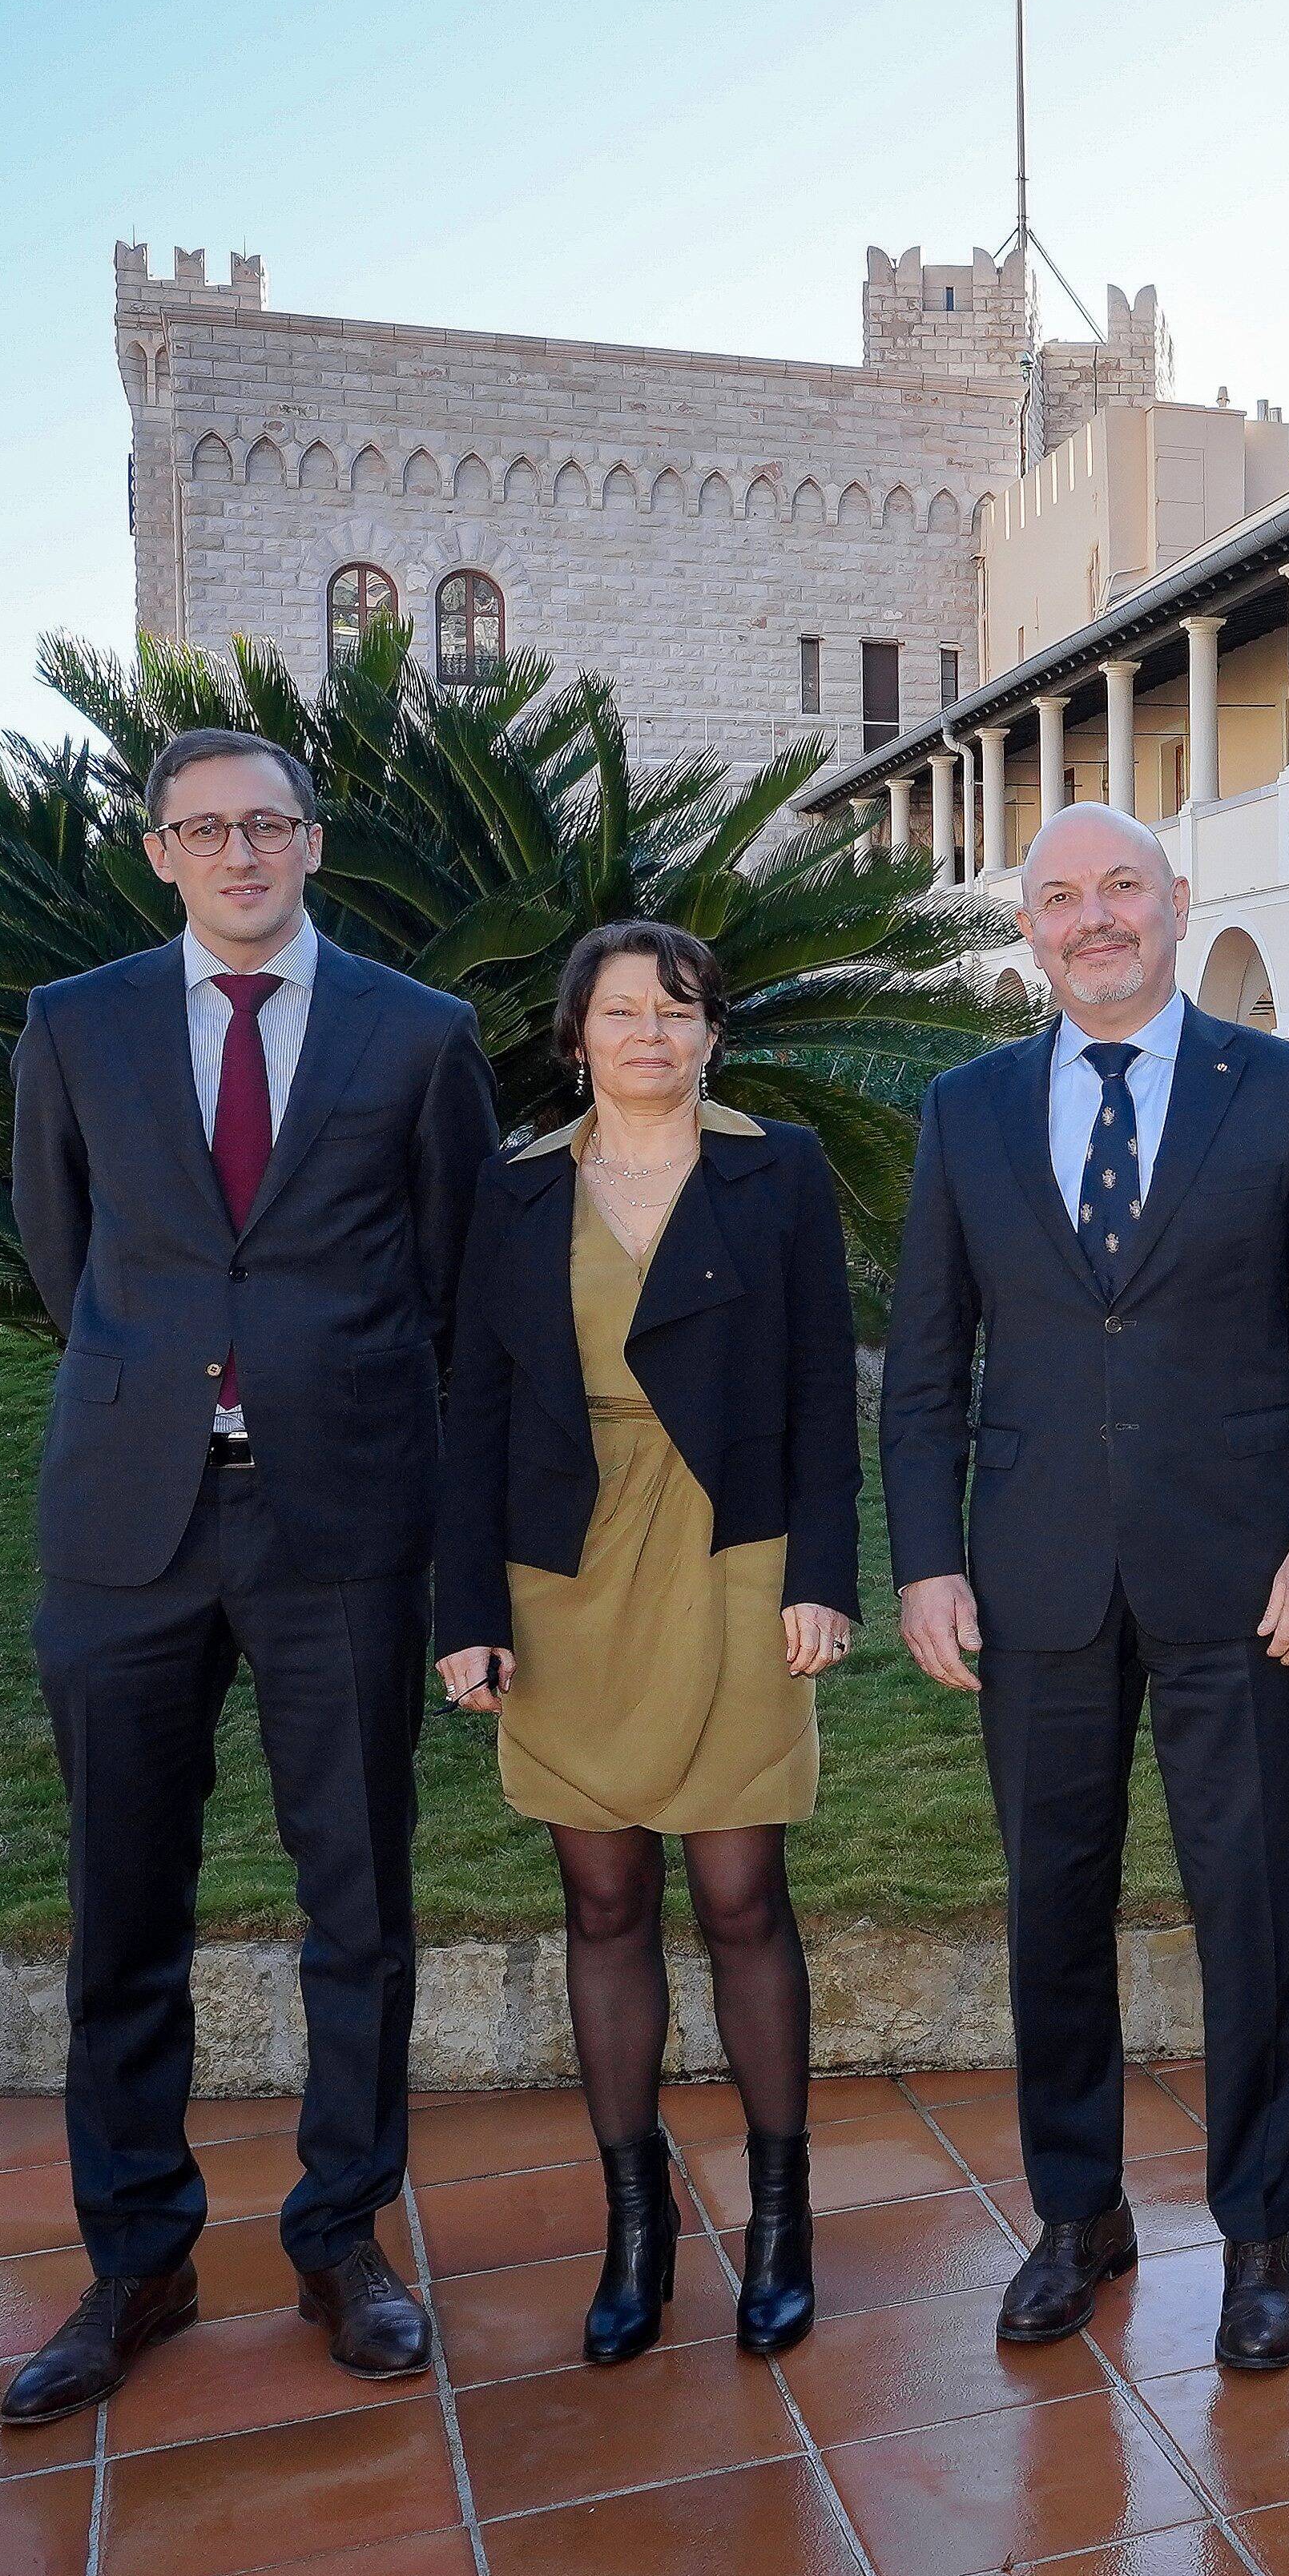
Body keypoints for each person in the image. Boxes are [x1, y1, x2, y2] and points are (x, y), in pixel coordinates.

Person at [0, 727, 497, 2425]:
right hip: (126, 1526)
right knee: (118, 1905)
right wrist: (172, 1384)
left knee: (357, 1898)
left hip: (341, 1525)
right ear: (156, 854)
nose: (238, 854)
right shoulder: (72, 1026)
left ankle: (342, 2234)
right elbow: (68, 1261)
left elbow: (455, 1286)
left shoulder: (420, 1039)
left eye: (266, 823)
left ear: (311, 841)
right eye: (202, 829)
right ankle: (135, 2256)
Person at [882, 803, 1289, 2373]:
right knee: (1054, 1905)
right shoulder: (965, 1110)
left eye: (1121, 888)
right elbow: (922, 1368)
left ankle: (1257, 2233)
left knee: (1250, 1905)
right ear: (1028, 928)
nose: (1093, 918)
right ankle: (1078, 2210)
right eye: (1060, 897)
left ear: (1178, 903)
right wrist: (925, 1557)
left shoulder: (1288, 1090)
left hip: (1245, 1575)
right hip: (1034, 1572)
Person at [433, 922, 862, 2362]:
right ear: (574, 1041)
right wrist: (468, 1614)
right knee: (603, 1905)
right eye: (621, 1012)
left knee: (744, 1897)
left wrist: (823, 1575)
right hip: (564, 1574)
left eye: (679, 1011)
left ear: (711, 1035)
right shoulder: (511, 1193)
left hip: (734, 1559)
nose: (651, 1034)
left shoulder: (775, 1169)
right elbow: (475, 1411)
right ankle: (636, 2236)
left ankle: (782, 2223)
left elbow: (818, 1386)